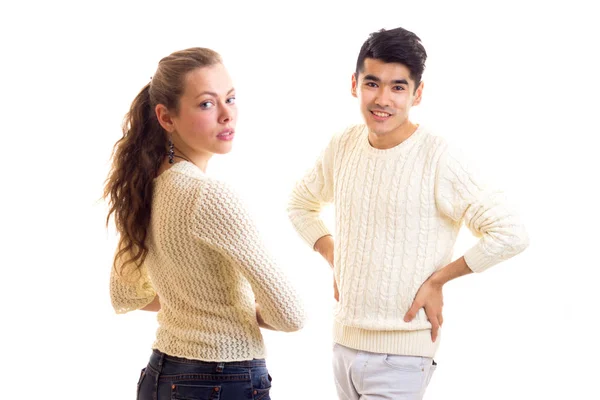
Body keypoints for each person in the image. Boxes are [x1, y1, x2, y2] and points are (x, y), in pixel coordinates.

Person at [287, 27, 529, 400]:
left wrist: (438, 281)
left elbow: (510, 233)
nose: (383, 99)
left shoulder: (439, 157)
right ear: (354, 84)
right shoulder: (343, 144)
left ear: (417, 94)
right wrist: (336, 254)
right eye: (373, 83)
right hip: (343, 345)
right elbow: (300, 204)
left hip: (403, 355)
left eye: (398, 87)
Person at [105, 47, 305, 400]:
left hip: (160, 377)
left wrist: (193, 306)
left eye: (230, 98)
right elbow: (290, 315)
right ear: (166, 118)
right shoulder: (207, 196)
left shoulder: (142, 189)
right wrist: (233, 314)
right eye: (207, 104)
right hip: (221, 381)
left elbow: (125, 293)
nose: (227, 115)